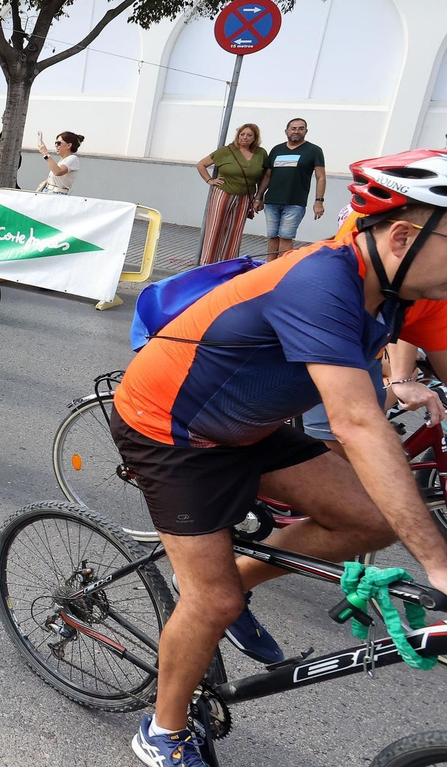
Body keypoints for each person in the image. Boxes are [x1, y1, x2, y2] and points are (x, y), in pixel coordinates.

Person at [111, 156, 447, 767]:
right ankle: (161, 731)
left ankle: (236, 581)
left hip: (248, 428)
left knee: (369, 520)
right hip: (171, 430)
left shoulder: (407, 289)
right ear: (403, 236)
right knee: (210, 602)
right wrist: (439, 563)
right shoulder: (321, 282)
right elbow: (355, 421)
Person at [195, 123, 267, 265]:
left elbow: (264, 175)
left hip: (246, 196)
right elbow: (201, 164)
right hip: (224, 192)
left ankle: (229, 264)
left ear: (255, 138)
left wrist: (259, 197)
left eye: (249, 135)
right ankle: (208, 264)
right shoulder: (226, 151)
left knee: (236, 230)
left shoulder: (261, 153)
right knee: (215, 227)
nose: (245, 137)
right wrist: (209, 180)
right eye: (242, 134)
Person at [257, 118, 326, 260]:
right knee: (272, 236)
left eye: (301, 128)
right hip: (272, 202)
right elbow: (267, 176)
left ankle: (282, 270)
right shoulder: (277, 149)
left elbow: (321, 177)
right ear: (286, 131)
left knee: (286, 237)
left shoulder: (314, 150)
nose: (296, 131)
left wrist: (318, 201)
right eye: (293, 128)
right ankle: (269, 269)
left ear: (306, 131)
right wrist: (259, 197)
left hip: (294, 203)